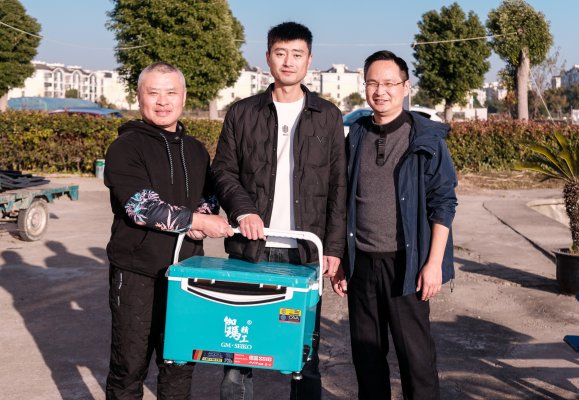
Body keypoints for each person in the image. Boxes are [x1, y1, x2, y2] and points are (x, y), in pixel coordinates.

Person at [211, 21, 347, 400]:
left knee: (303, 355)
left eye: (297, 54)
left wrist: (334, 248)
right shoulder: (242, 113)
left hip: (304, 253)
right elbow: (223, 171)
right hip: (251, 251)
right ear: (268, 57)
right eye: (281, 53)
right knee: (239, 352)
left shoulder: (328, 115)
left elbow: (338, 185)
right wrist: (243, 211)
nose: (289, 61)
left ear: (309, 60)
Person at [104, 61, 234, 400]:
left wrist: (202, 218)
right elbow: (140, 207)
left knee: (179, 364)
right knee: (129, 366)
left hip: (186, 275)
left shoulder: (195, 150)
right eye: (154, 93)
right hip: (137, 273)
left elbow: (207, 198)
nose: (163, 101)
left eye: (171, 93)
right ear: (139, 97)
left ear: (183, 97)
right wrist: (197, 222)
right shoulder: (126, 147)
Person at [340, 50, 458, 400]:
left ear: (406, 87)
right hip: (362, 264)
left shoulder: (425, 138)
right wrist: (342, 258)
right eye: (373, 83)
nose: (381, 91)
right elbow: (342, 198)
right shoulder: (356, 134)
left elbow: (443, 203)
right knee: (367, 359)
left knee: (416, 360)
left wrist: (433, 264)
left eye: (390, 83)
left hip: (407, 265)